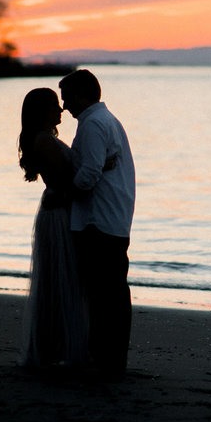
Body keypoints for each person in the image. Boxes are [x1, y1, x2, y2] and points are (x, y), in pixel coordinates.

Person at [59, 69, 137, 380]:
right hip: (112, 218)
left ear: (82, 95)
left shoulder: (92, 124)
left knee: (104, 294)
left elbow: (89, 174)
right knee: (112, 292)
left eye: (67, 98)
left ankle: (107, 359)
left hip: (98, 221)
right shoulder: (107, 121)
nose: (65, 106)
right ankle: (111, 358)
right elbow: (96, 167)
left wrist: (65, 197)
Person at [16, 87, 88, 370]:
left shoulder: (44, 139)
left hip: (59, 210)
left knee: (60, 279)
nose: (61, 110)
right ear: (43, 111)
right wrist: (102, 167)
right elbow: (68, 181)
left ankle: (54, 346)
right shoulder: (44, 141)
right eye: (55, 106)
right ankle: (54, 348)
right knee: (60, 279)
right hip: (58, 215)